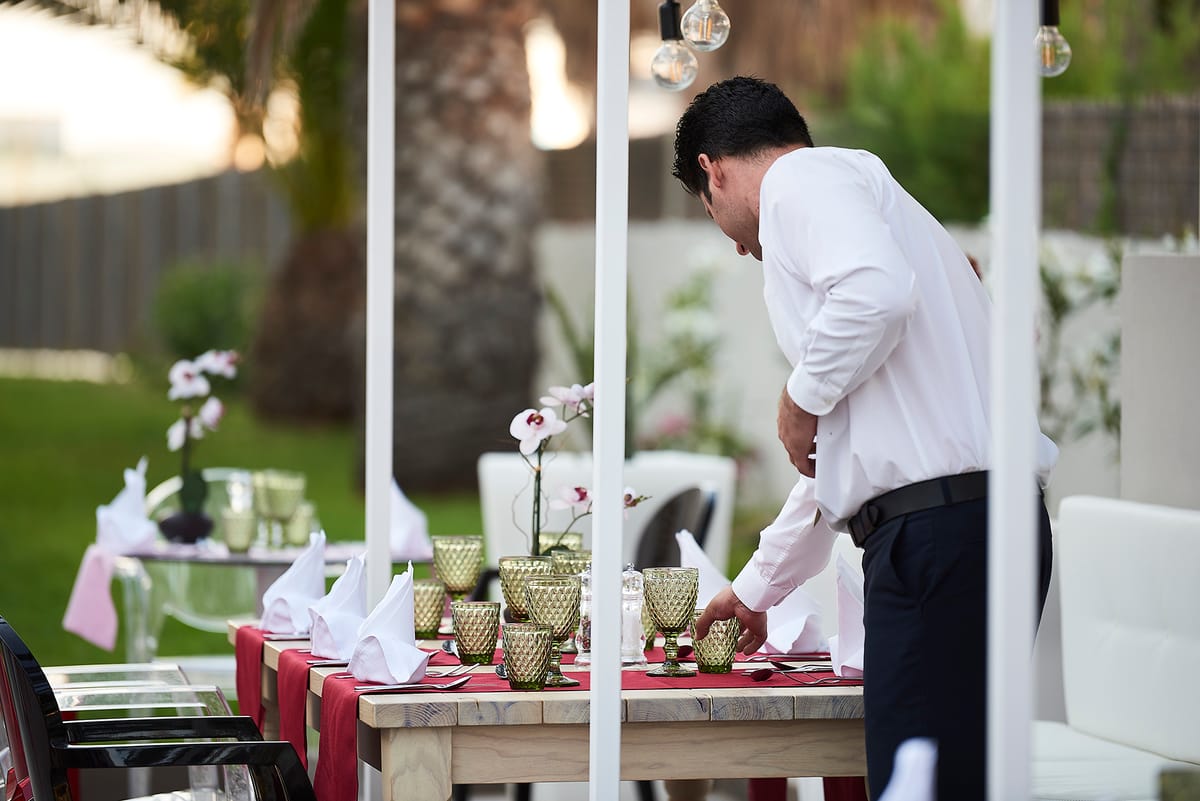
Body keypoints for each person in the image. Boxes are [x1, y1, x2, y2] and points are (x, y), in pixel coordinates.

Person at [682, 77, 1058, 799]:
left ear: (713, 170)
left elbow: (875, 293)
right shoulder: (889, 212)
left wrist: (800, 397)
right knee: (952, 781)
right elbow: (861, 457)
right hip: (989, 525)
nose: (734, 245)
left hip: (938, 540)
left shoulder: (798, 180)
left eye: (711, 213)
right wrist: (758, 587)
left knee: (914, 785)